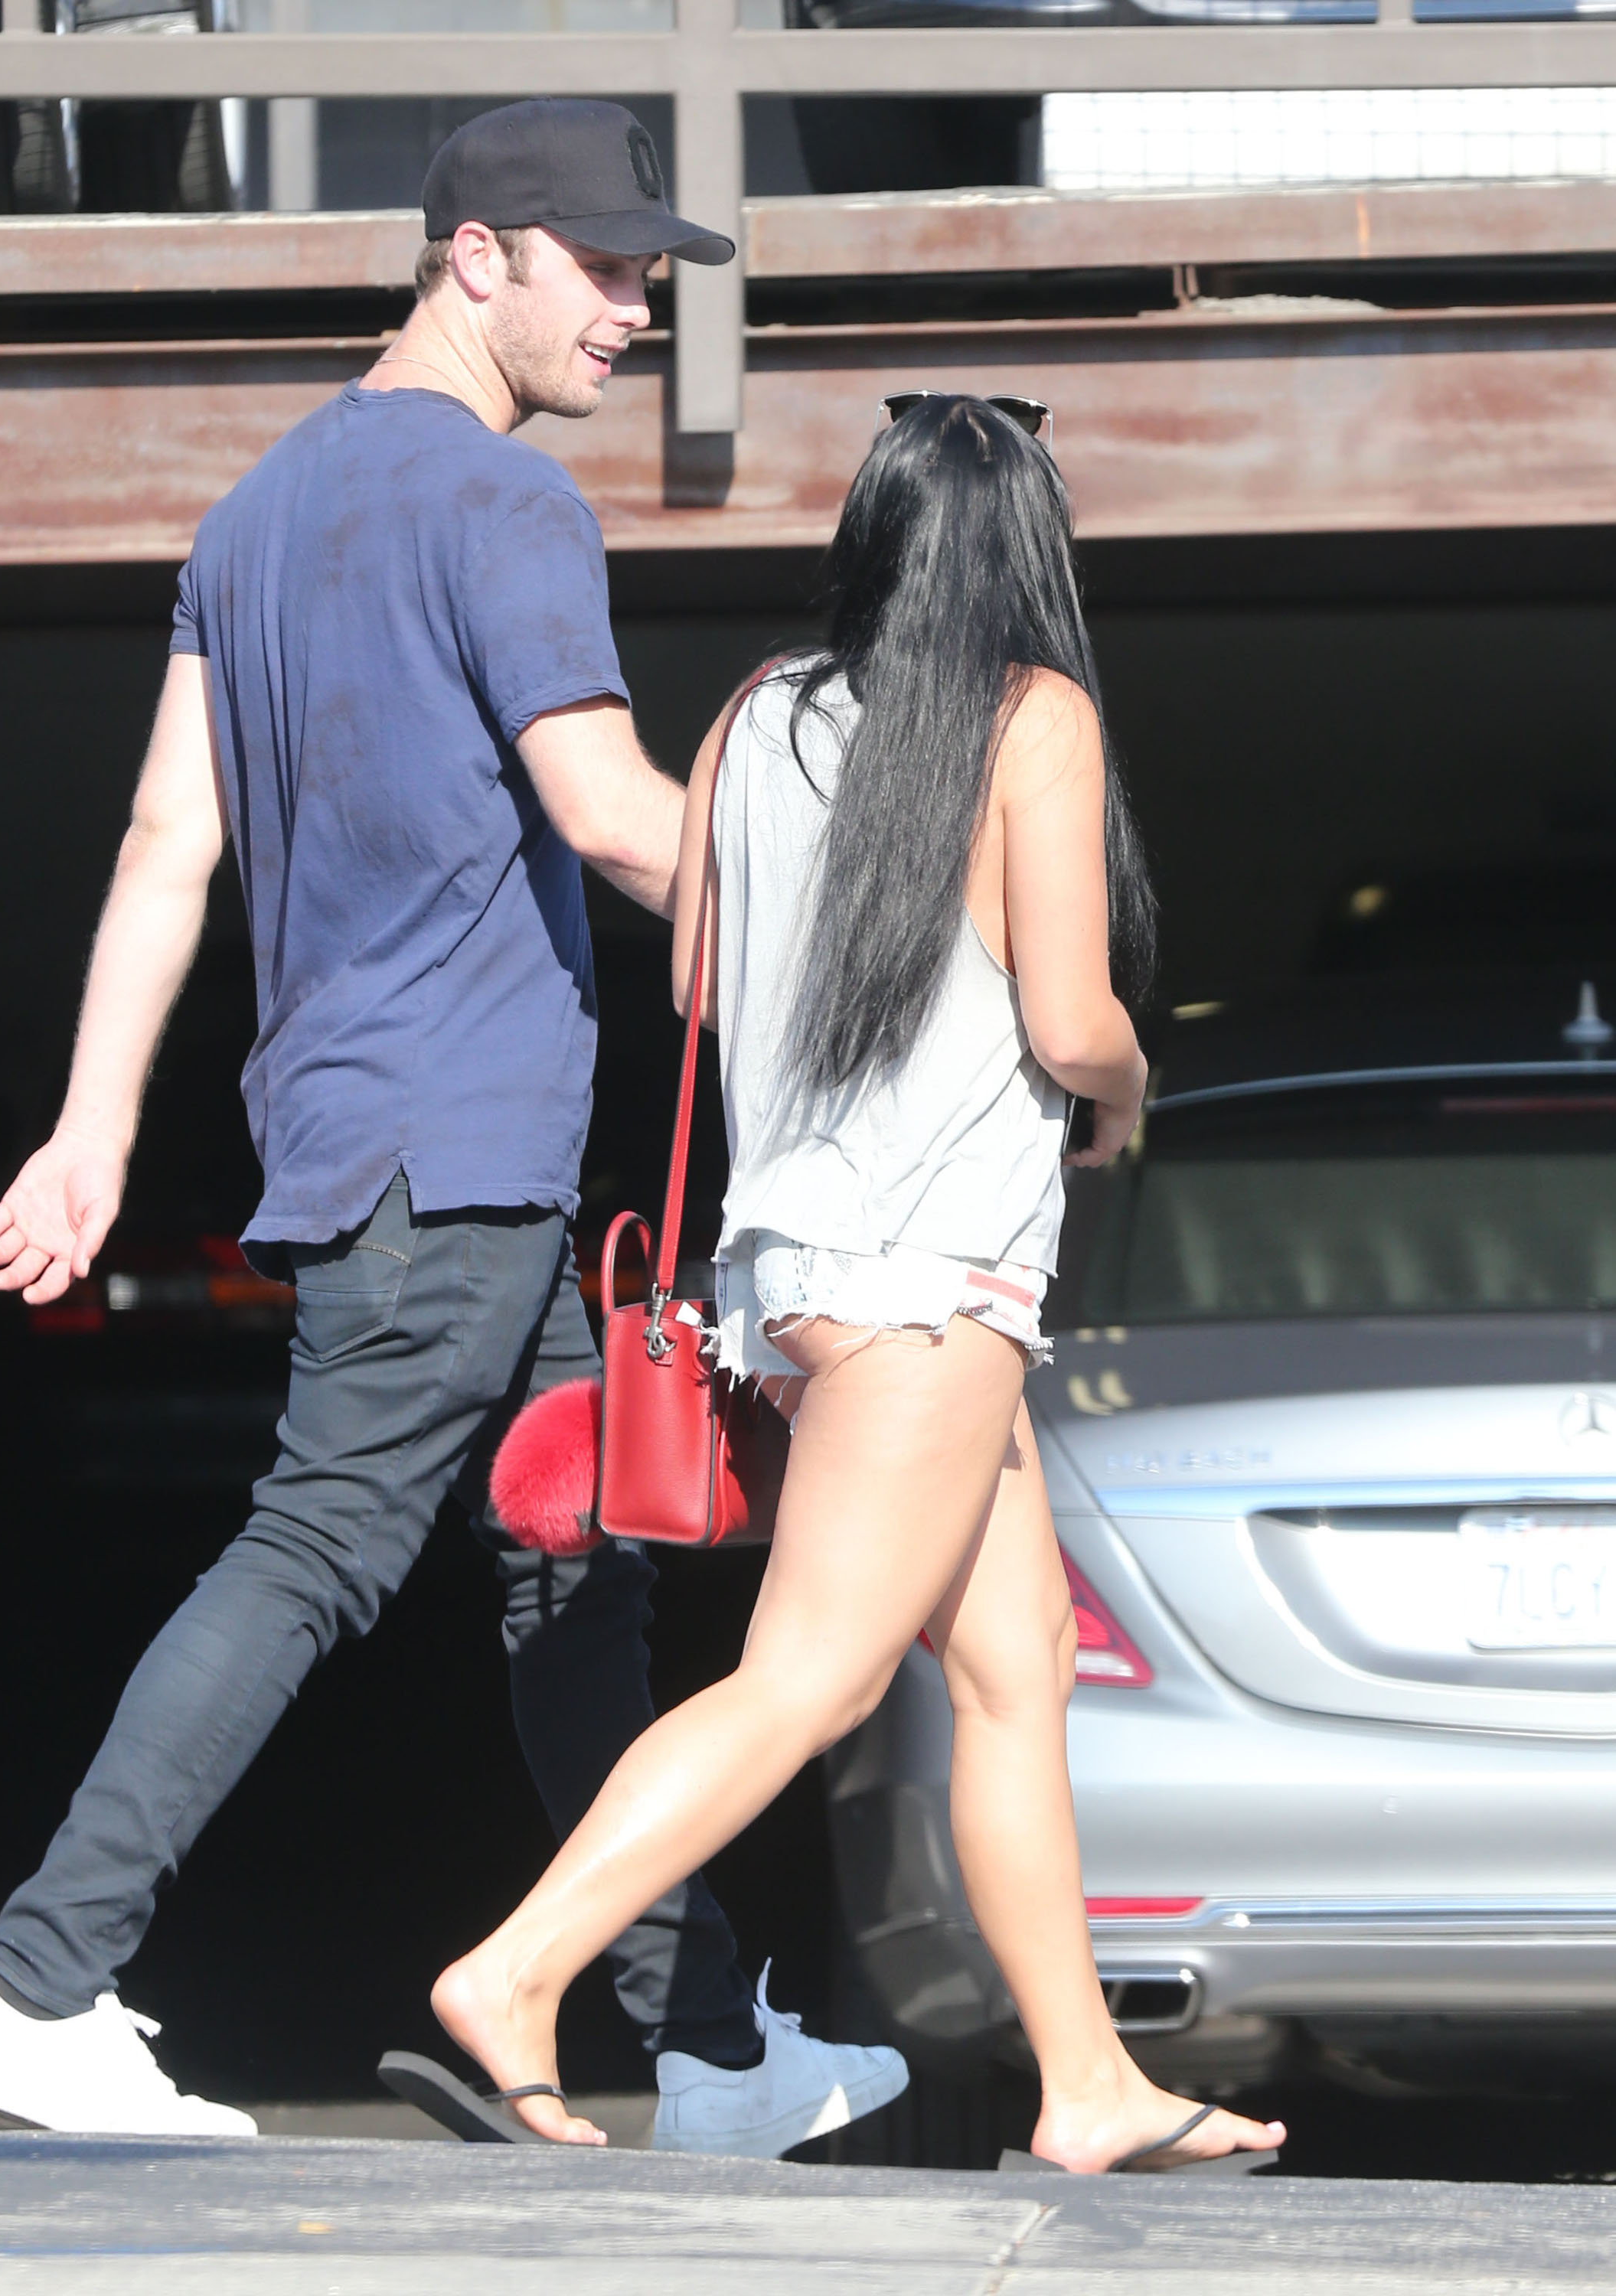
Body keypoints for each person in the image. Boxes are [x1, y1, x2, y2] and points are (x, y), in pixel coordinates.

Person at [0, 96, 906, 2156]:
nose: (632, 311)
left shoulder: (253, 515)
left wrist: (92, 1132)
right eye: (603, 269)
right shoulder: (502, 502)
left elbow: (167, 840)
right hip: (447, 1151)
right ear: (477, 256)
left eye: (645, 274)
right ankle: (39, 1985)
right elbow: (608, 813)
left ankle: (710, 2045)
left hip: (411, 1151)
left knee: (575, 1571)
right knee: (316, 1545)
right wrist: (872, 953)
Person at [427, 393, 1289, 2172]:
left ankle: (1087, 2083)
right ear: (1027, 549)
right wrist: (1129, 1091)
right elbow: (1073, 1019)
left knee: (1016, 1668)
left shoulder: (759, 710)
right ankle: (514, 1973)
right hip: (932, 1282)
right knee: (810, 1679)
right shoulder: (1032, 717)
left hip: (807, 1271)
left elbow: (700, 982)